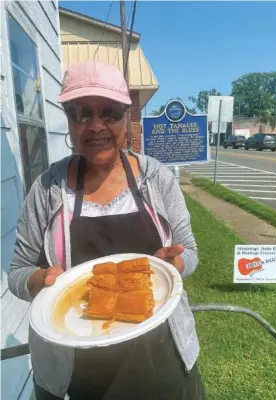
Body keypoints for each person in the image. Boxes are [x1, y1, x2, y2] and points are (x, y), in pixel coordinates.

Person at [8, 60, 204, 400]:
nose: (96, 125)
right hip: (77, 363)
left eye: (110, 112)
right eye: (81, 113)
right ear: (68, 120)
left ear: (126, 119)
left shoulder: (156, 178)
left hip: (160, 353)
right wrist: (42, 281)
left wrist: (174, 265)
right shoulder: (46, 189)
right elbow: (16, 274)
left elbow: (190, 250)